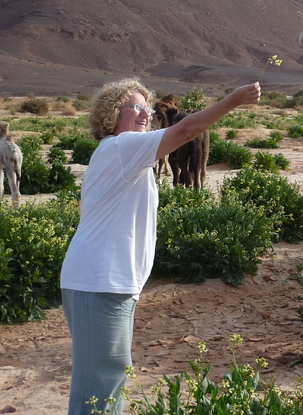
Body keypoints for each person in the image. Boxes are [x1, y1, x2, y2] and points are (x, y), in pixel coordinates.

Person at [60, 77, 261, 414]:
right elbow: (184, 133)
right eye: (133, 107)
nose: (143, 114)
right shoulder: (121, 146)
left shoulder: (125, 153)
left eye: (146, 108)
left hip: (109, 283)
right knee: (99, 386)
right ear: (112, 115)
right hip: (99, 282)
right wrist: (233, 101)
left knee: (109, 380)